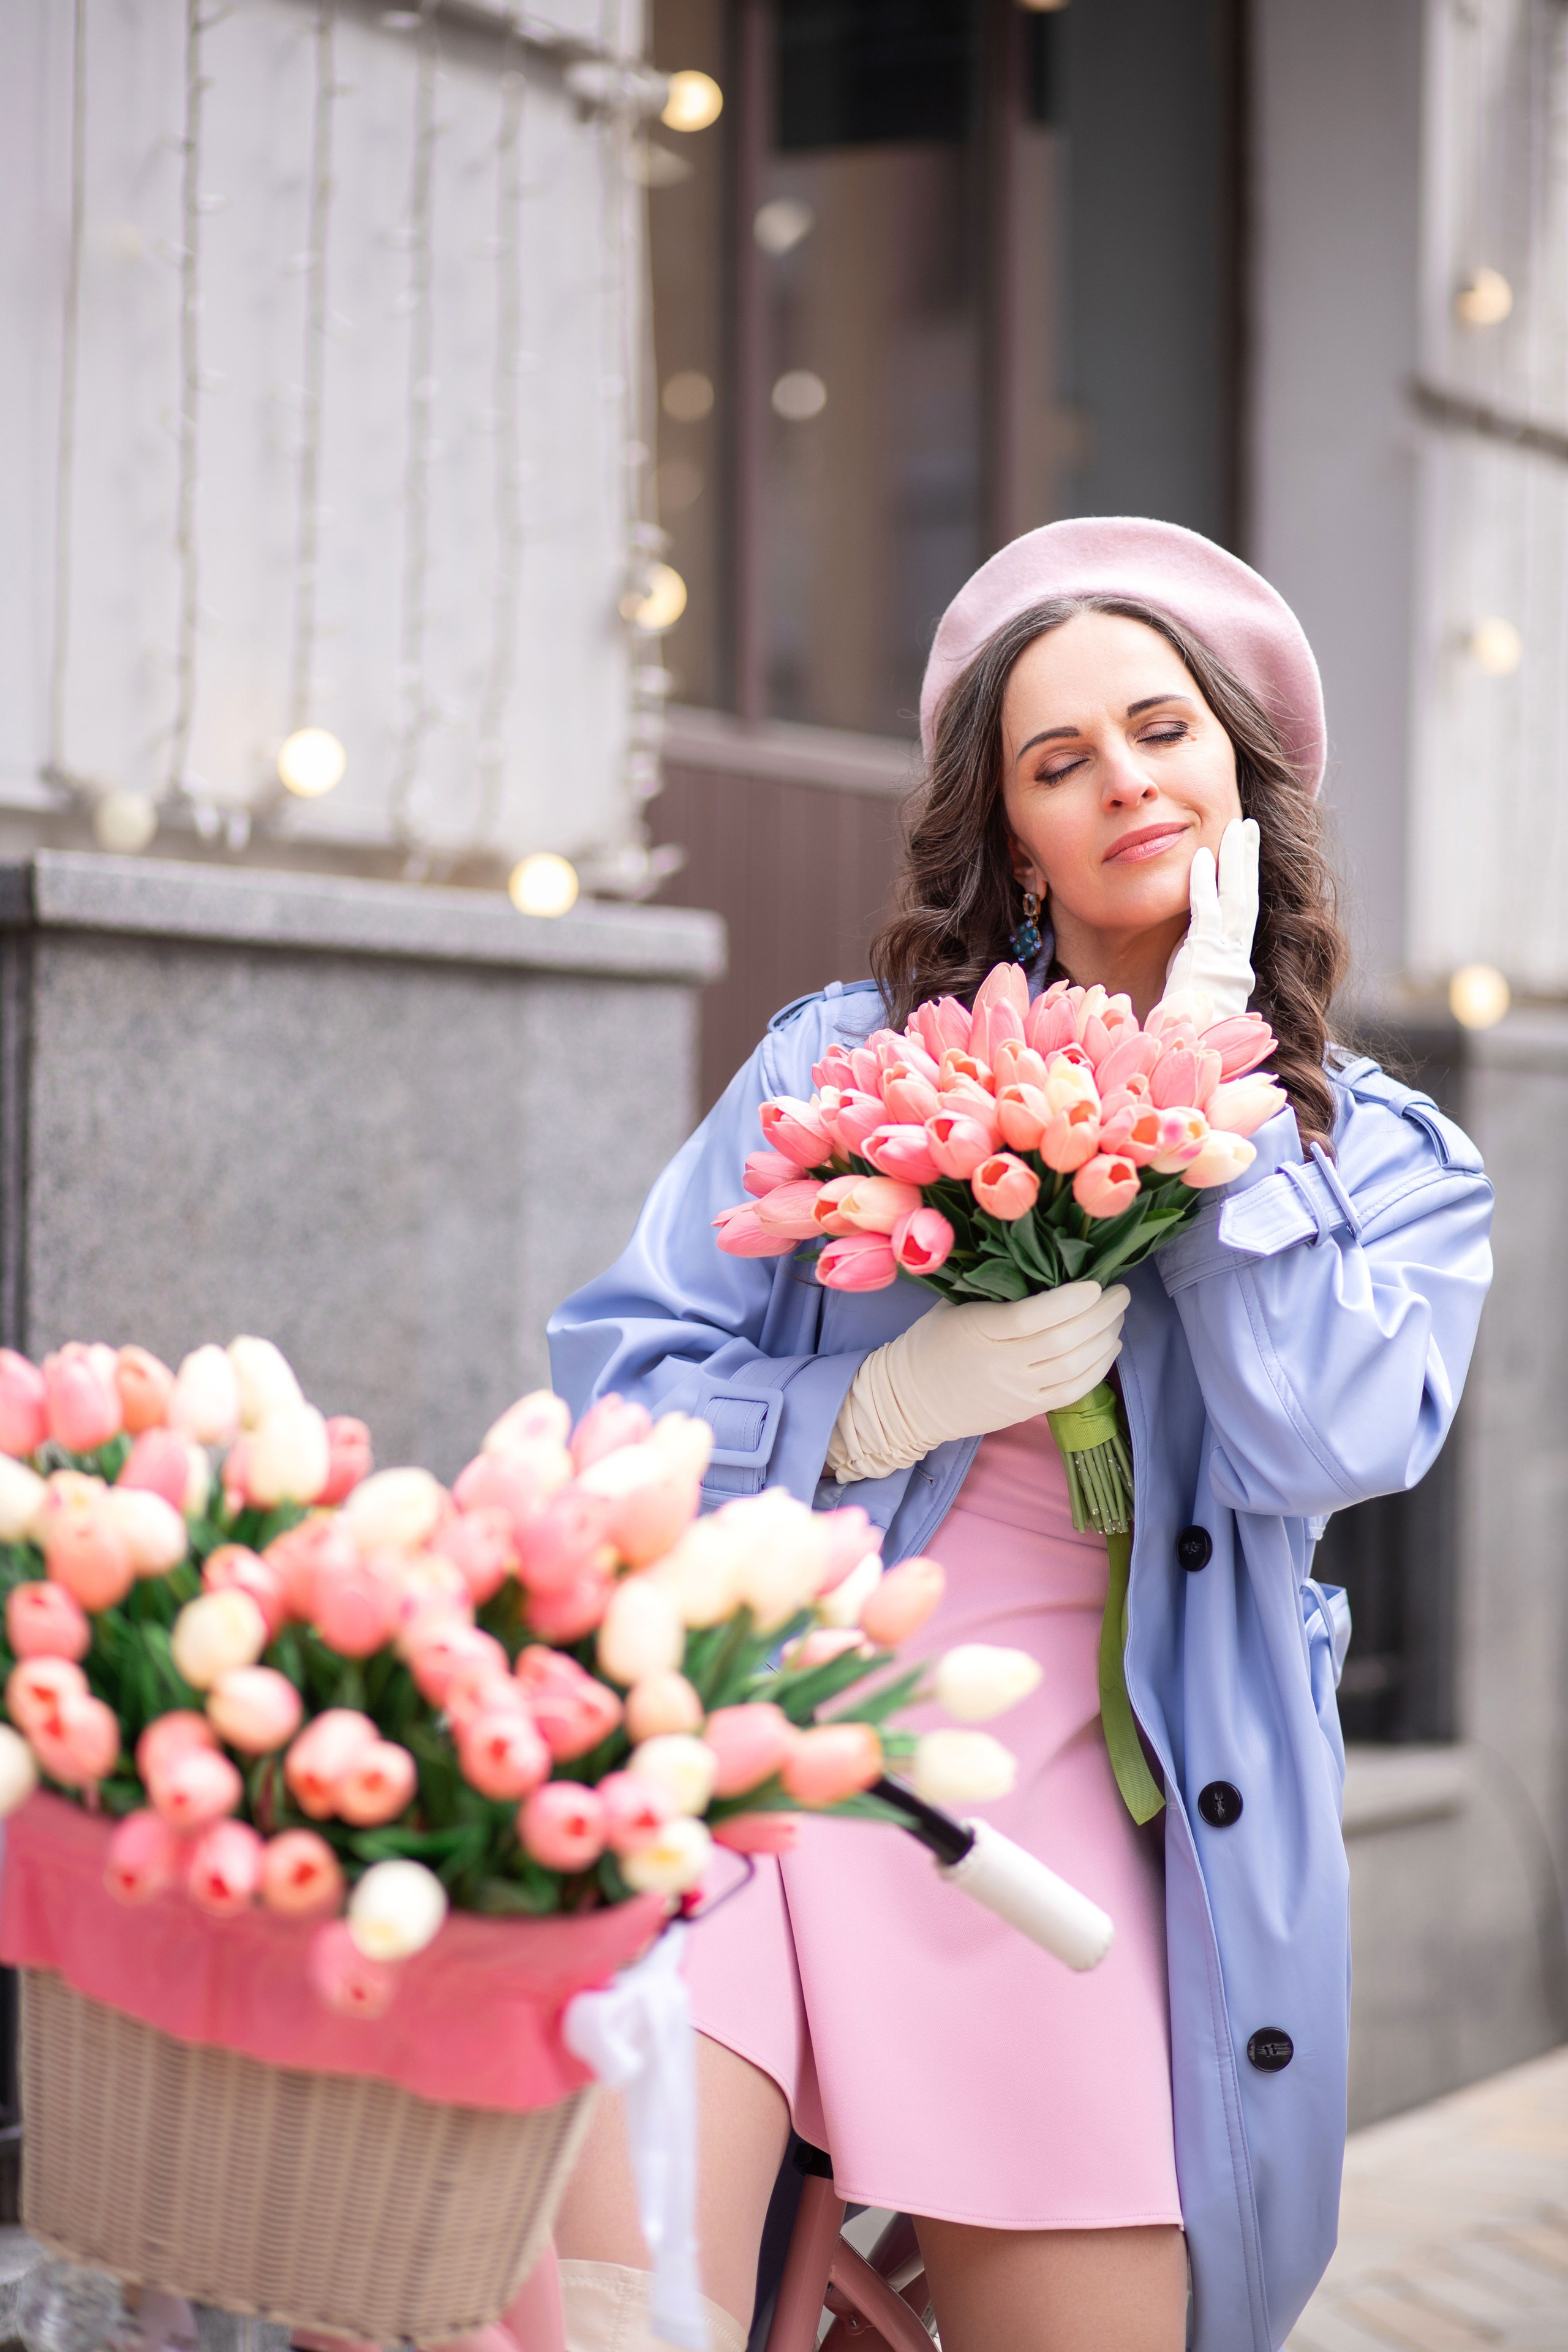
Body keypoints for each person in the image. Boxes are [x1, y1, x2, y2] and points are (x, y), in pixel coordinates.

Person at [546, 518, 1494, 2352]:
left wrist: (1214, 1122)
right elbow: (614, 1403)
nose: (1124, 781)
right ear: (1017, 843)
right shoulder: (850, 1063)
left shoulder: (1381, 1157)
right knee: (611, 2312)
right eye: (1059, 763)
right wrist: (864, 1405)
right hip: (770, 1753)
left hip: (1079, 1838)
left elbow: (1332, 1440)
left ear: (1241, 771)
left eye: (1162, 732)